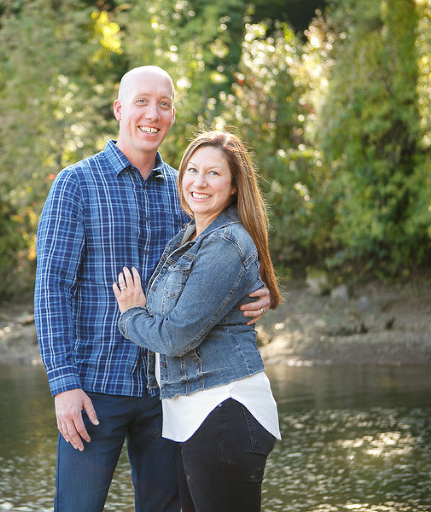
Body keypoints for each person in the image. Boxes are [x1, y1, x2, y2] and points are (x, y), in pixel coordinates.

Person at [34, 67, 271, 512]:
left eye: (163, 104)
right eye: (141, 101)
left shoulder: (186, 191)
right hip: (93, 390)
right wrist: (63, 384)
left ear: (172, 115)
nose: (153, 113)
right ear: (120, 109)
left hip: (168, 392)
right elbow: (51, 291)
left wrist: (256, 293)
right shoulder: (76, 184)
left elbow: (219, 263)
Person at [112, 130, 282, 512]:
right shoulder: (189, 237)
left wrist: (132, 314)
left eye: (214, 174)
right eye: (191, 170)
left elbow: (175, 337)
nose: (199, 182)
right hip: (195, 416)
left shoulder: (225, 243)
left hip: (224, 409)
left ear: (236, 185)